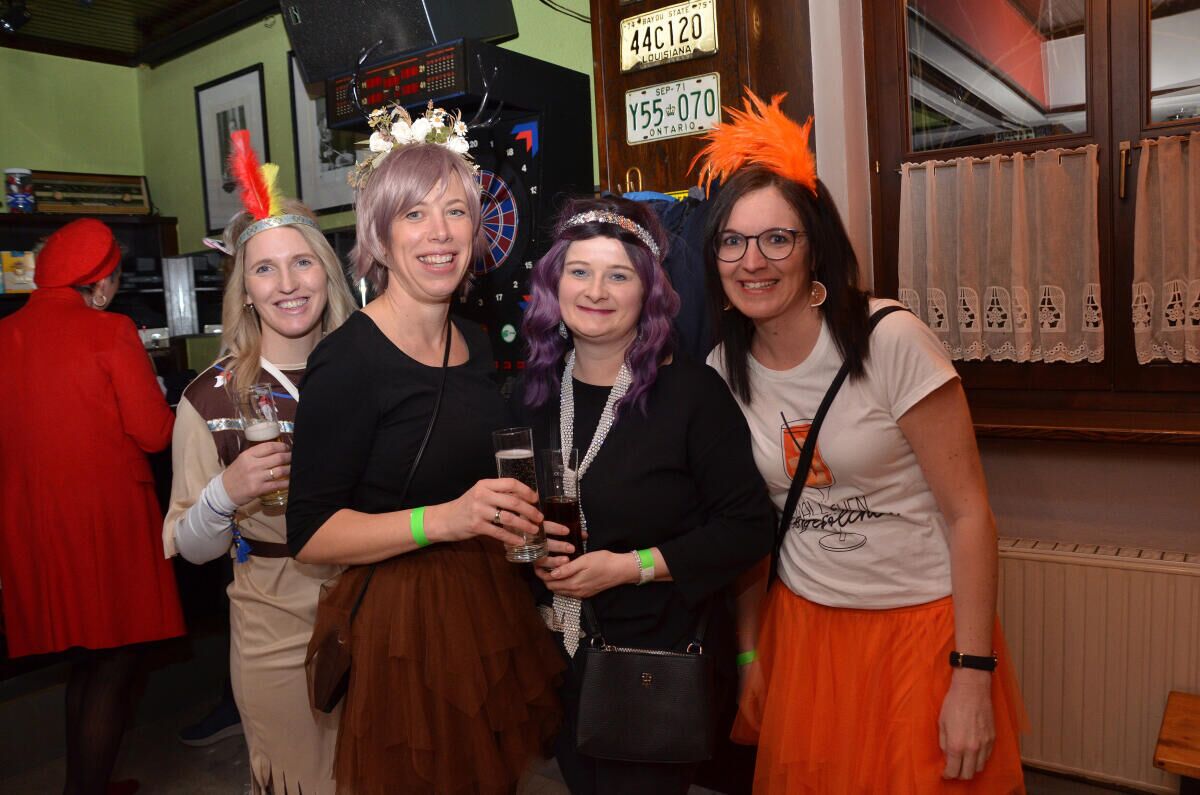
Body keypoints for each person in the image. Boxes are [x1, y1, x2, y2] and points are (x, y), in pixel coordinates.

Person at [693, 91, 1027, 793]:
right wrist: (751, 655)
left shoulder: (891, 340)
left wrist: (973, 675)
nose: (753, 260)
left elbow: (971, 515)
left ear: (814, 247)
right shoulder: (722, 370)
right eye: (732, 240)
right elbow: (750, 528)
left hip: (918, 632)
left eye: (777, 238)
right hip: (806, 635)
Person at [286, 103, 562, 794]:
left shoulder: (473, 340)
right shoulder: (347, 361)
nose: (439, 233)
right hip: (404, 627)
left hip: (484, 603)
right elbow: (311, 534)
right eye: (414, 214)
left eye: (456, 211)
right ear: (379, 237)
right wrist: (445, 519)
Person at [517, 196, 776, 795]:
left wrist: (627, 567)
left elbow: (747, 527)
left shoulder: (690, 394)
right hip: (556, 663)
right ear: (555, 284)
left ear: (648, 292)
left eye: (618, 275)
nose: (596, 291)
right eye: (580, 271)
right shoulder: (531, 396)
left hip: (655, 666)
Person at [163, 132, 358, 795]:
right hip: (276, 634)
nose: (288, 284)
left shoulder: (369, 371)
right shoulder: (210, 398)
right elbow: (191, 548)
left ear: (326, 273)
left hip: (380, 614)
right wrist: (226, 491)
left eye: (302, 262)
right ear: (244, 288)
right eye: (265, 269)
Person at [0, 217, 185, 795]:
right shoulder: (110, 330)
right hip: (105, 518)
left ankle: (82, 786)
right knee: (114, 659)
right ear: (101, 282)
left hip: (33, 521)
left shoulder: (5, 333)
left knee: (83, 656)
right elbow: (154, 433)